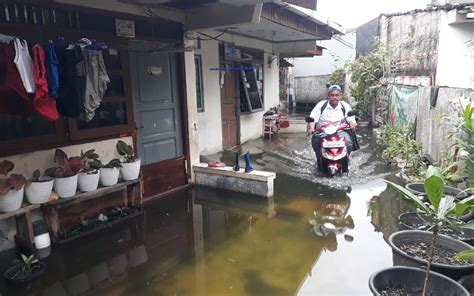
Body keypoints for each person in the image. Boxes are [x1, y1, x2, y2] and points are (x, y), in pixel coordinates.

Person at [307, 85, 357, 170]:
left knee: (348, 142)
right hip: (323, 131)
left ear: (340, 95)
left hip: (340, 131)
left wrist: (353, 123)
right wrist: (311, 128)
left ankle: (346, 159)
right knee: (315, 141)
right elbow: (313, 118)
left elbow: (351, 119)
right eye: (332, 95)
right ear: (328, 95)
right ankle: (319, 158)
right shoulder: (321, 105)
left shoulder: (344, 106)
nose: (335, 97)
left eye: (337, 95)